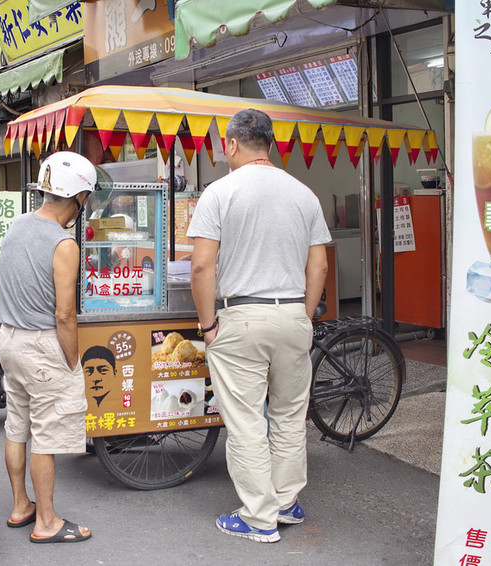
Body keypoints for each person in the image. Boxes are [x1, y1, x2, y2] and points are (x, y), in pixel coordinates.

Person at [187, 108, 331, 543]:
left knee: (248, 421)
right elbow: (319, 264)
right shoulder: (304, 193)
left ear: (232, 144)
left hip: (240, 318)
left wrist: (208, 325)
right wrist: (303, 317)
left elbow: (201, 267)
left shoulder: (220, 192)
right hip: (292, 315)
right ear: (269, 143)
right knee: (289, 416)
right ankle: (286, 503)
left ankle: (258, 516)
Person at [0, 151, 94, 544]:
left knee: (17, 426)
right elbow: (65, 315)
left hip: (10, 340)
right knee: (47, 434)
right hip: (42, 347)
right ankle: (47, 521)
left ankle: (22, 505)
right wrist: (74, 362)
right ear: (78, 198)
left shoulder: (17, 225)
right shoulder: (63, 244)